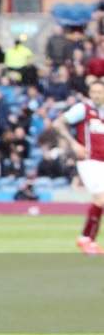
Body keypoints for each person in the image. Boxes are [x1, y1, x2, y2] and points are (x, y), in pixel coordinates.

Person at [55, 79, 104, 255]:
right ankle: (86, 239)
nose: (97, 95)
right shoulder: (83, 109)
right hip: (89, 161)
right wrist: (74, 144)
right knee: (101, 199)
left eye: (100, 92)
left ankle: (87, 239)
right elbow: (58, 123)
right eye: (94, 92)